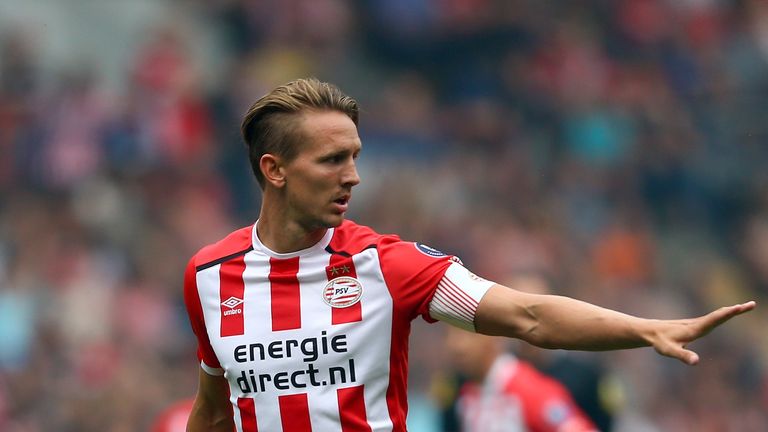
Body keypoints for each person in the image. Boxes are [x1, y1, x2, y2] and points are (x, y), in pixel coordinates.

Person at [183, 78, 755, 432]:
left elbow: (529, 316)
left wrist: (645, 329)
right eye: (332, 160)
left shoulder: (389, 265)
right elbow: (214, 412)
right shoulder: (209, 277)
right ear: (275, 170)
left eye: (355, 156)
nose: (353, 177)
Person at [445, 326, 597, 432]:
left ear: (494, 335)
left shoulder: (528, 389)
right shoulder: (466, 393)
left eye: (466, 334)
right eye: (450, 334)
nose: (457, 346)